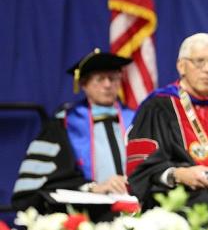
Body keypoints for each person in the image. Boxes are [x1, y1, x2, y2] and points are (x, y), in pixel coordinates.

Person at [127, 33, 208, 220]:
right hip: (187, 196)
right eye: (199, 61)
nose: (207, 69)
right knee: (204, 204)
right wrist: (178, 174)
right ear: (181, 66)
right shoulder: (158, 107)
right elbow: (141, 169)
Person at [12, 50, 134, 212]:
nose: (107, 85)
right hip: (87, 214)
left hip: (135, 210)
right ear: (84, 84)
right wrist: (92, 187)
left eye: (112, 78)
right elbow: (53, 180)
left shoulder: (136, 120)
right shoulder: (65, 123)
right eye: (99, 79)